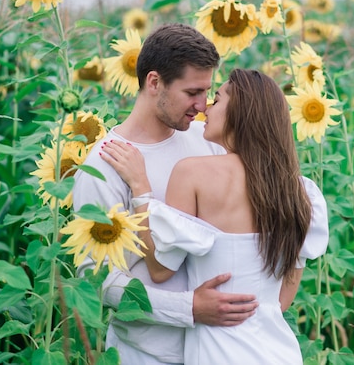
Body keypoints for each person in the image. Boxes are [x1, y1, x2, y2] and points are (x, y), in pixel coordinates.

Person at [100, 68, 329, 364]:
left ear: (240, 112)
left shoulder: (193, 173)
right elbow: (281, 301)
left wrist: (141, 189)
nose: (205, 107)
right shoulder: (299, 192)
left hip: (218, 352)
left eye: (217, 100)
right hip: (277, 351)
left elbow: (160, 270)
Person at [72, 23, 260, 365]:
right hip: (147, 353)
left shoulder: (209, 139)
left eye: (207, 92)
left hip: (219, 347)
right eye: (192, 92)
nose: (202, 105)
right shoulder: (104, 163)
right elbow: (96, 278)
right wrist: (188, 308)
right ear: (154, 82)